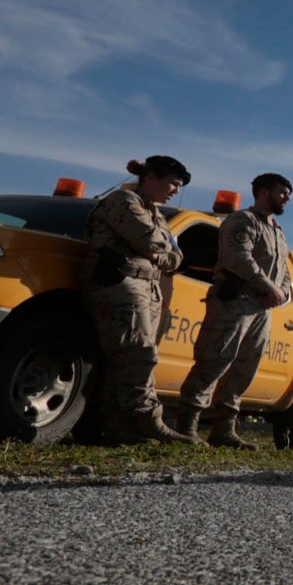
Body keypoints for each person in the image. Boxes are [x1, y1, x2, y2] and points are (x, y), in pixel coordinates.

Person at [172, 172, 293, 450]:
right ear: (263, 192)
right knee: (214, 361)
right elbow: (237, 257)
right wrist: (266, 286)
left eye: (288, 194)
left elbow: (284, 271)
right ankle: (186, 428)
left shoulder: (277, 231)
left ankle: (223, 430)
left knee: (244, 369)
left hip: (262, 310)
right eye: (282, 192)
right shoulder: (242, 221)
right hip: (234, 302)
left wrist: (282, 291)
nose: (287, 198)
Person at [82, 156, 192, 445]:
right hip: (121, 283)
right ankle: (148, 421)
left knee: (129, 360)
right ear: (151, 176)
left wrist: (165, 254)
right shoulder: (124, 201)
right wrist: (165, 253)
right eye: (172, 183)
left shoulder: (155, 213)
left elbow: (174, 257)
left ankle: (118, 427)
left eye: (179, 186)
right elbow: (153, 244)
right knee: (138, 354)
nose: (175, 191)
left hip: (147, 287)